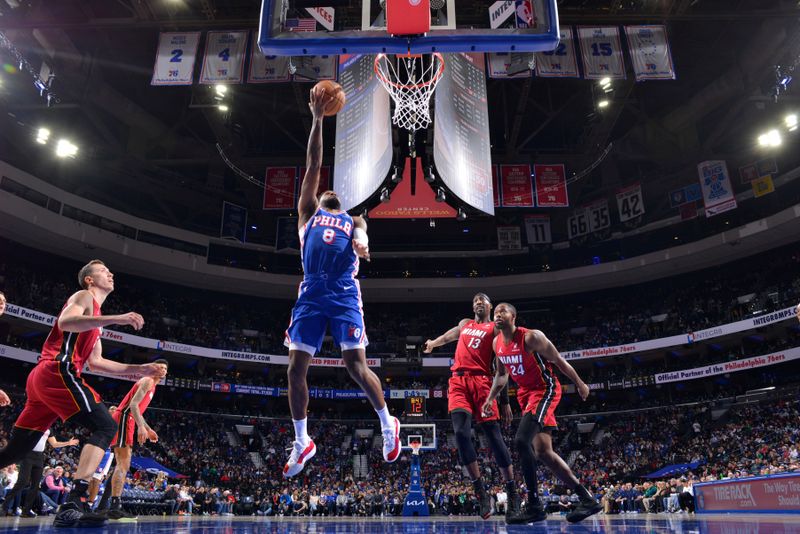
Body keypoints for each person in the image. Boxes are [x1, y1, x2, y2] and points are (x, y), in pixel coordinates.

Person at [283, 87, 399, 478]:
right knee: (295, 368)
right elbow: (314, 164)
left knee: (354, 366)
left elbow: (363, 231)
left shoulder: (354, 219)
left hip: (344, 290)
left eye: (334, 193)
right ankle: (303, 441)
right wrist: (317, 119)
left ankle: (387, 424)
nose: (329, 190)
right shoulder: (307, 214)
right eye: (324, 190)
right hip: (312, 291)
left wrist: (363, 243)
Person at [0, 259, 167, 527]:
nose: (110, 273)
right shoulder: (83, 296)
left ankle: (74, 501)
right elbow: (66, 322)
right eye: (103, 271)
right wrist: (118, 319)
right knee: (105, 426)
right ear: (89, 279)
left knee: (13, 453)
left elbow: (98, 363)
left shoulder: (95, 322)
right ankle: (73, 502)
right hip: (58, 370)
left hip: (42, 381)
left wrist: (141, 368)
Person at [482, 302, 601, 524]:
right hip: (525, 395)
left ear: (513, 317)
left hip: (545, 390)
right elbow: (501, 375)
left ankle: (534, 504)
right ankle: (587, 499)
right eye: (495, 312)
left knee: (520, 440)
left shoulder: (531, 337)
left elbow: (557, 360)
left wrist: (579, 382)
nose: (497, 315)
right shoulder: (497, 343)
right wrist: (490, 399)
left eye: (503, 311)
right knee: (544, 452)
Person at [423, 293, 519, 520]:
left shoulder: (495, 330)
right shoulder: (465, 324)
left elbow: (501, 365)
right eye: (475, 299)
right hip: (458, 382)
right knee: (461, 434)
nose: (478, 302)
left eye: (482, 300)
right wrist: (434, 343)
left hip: (483, 382)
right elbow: (449, 336)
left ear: (490, 307)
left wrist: (504, 401)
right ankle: (479, 489)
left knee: (494, 437)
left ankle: (512, 491)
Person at [93, 360, 167, 521]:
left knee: (121, 465)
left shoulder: (152, 385)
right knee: (123, 464)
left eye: (165, 369)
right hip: (125, 418)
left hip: (128, 419)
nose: (162, 370)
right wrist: (141, 427)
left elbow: (138, 410)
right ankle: (113, 507)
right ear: (152, 368)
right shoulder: (147, 381)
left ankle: (108, 506)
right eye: (159, 367)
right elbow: (133, 405)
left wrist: (147, 428)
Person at [2, 430, 78, 517]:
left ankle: (26, 511)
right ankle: (4, 507)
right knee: (22, 481)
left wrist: (68, 443)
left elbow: (54, 444)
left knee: (35, 485)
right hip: (28, 454)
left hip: (39, 456)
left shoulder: (49, 429)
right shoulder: (34, 423)